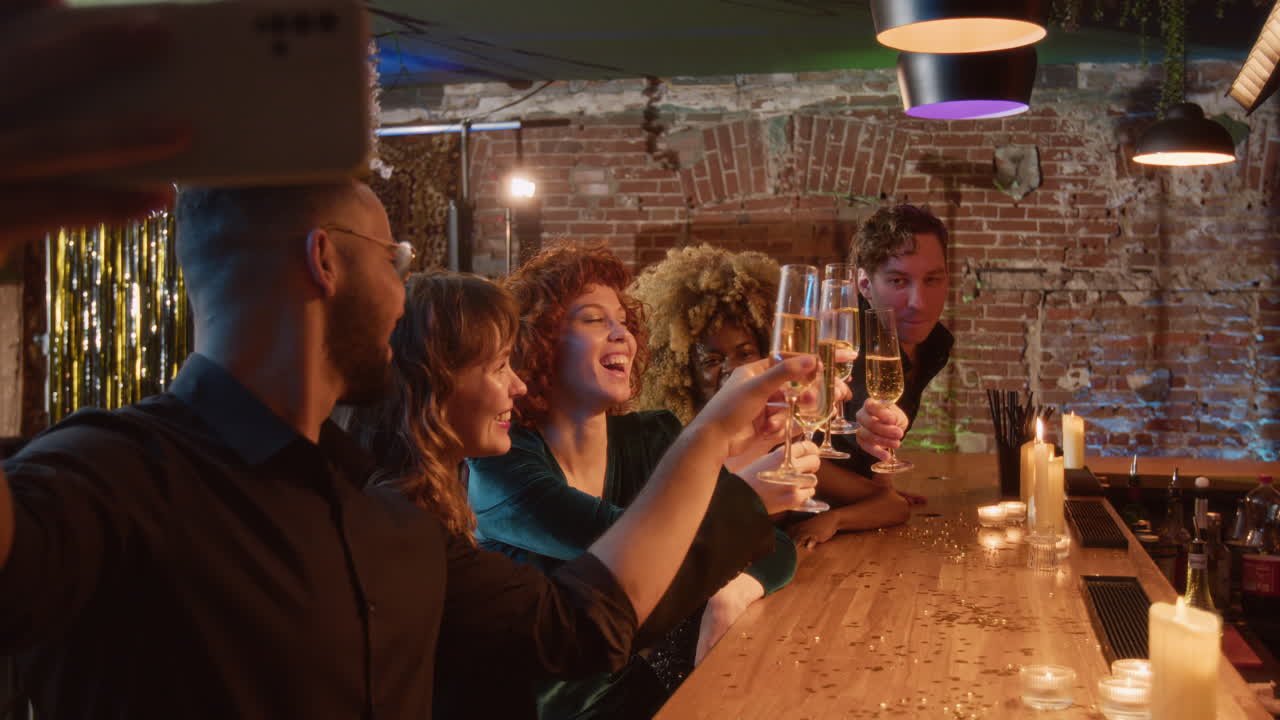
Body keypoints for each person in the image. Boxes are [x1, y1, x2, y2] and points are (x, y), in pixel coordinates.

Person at [0, 31, 820, 709]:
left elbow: (585, 624)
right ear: (324, 261)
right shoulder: (109, 478)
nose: (405, 285)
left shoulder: (381, 515)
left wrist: (714, 435)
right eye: (393, 254)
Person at [467, 244, 817, 719]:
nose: (622, 335)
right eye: (594, 319)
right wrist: (738, 490)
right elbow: (636, 548)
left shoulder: (653, 435)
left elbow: (773, 545)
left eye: (624, 321)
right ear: (540, 339)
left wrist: (735, 588)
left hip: (639, 693)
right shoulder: (502, 463)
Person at [788, 204, 953, 548]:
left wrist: (877, 482)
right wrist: (867, 501)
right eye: (898, 281)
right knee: (894, 510)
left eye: (933, 279)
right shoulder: (842, 343)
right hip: (792, 506)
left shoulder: (935, 341)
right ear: (864, 283)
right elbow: (787, 445)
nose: (919, 302)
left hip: (849, 501)